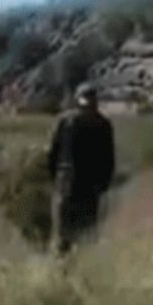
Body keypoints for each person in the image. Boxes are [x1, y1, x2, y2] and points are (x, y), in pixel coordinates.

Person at [45, 83, 115, 254]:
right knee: (77, 237)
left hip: (75, 187)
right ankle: (72, 266)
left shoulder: (67, 122)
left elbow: (52, 155)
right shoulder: (100, 124)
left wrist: (55, 179)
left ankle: (70, 266)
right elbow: (108, 161)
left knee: (75, 237)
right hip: (78, 188)